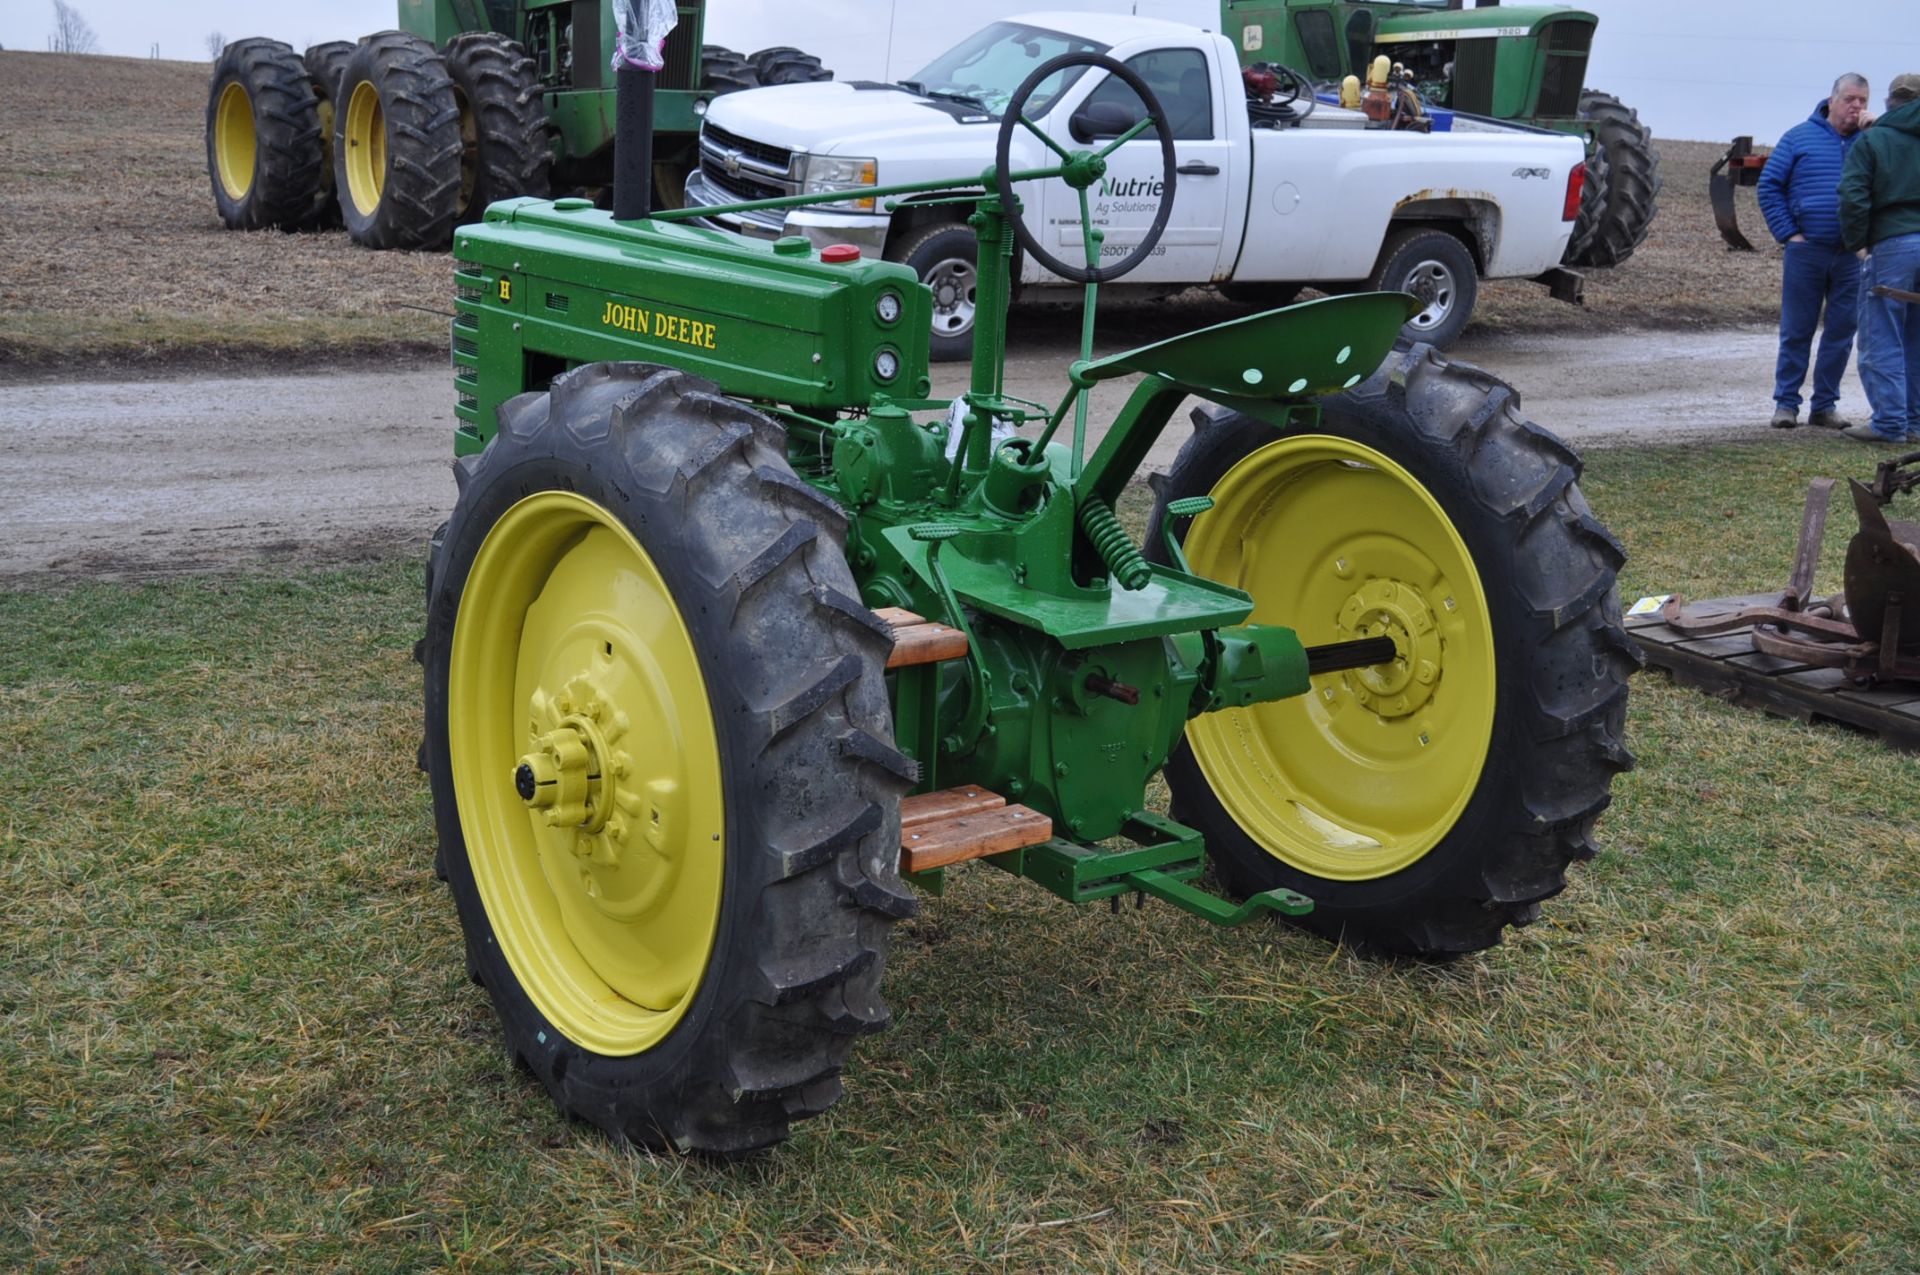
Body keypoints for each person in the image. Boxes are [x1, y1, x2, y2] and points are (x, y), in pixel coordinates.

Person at [1757, 74, 1871, 430]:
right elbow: (1769, 186)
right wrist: (1789, 234)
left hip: (1852, 255)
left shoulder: (1871, 143)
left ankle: (1824, 406)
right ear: (1831, 100)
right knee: (1797, 329)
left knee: (1841, 332)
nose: (1857, 106)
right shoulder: (1798, 138)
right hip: (1807, 251)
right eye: (1851, 98)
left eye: (1863, 101)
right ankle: (1786, 404)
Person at [1839, 73, 1920, 444]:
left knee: (1882, 335)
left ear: (1890, 102)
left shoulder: (1874, 140)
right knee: (1916, 338)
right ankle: (1915, 422)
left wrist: (1858, 242)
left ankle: (1889, 423)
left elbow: (1853, 196)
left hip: (1893, 246)